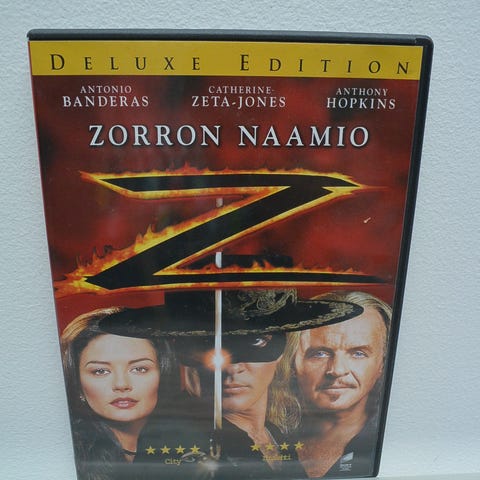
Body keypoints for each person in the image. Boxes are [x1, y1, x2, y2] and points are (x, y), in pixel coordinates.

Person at [103, 288, 363, 480]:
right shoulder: (175, 440)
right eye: (205, 344)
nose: (230, 367)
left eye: (255, 342)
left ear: (284, 347)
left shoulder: (277, 434)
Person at [278, 291, 391, 478]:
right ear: (292, 363)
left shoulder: (394, 445)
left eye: (358, 353)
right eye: (320, 353)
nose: (337, 370)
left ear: (382, 364)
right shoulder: (271, 438)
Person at [61, 307, 177, 480]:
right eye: (100, 371)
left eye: (139, 369)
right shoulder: (65, 457)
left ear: (163, 373)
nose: (121, 385)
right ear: (77, 383)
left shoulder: (183, 449)